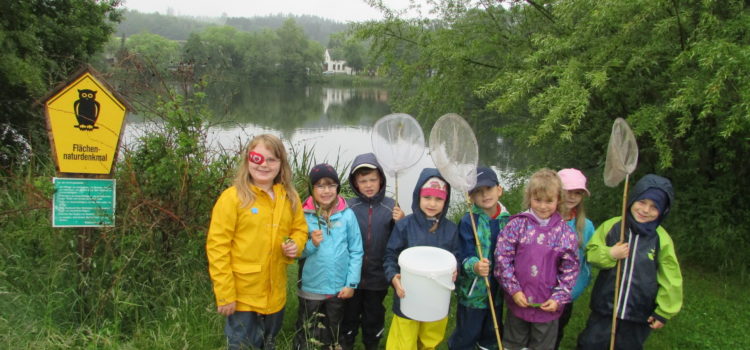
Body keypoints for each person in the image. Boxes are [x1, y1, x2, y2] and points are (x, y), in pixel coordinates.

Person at [206, 134, 308, 350]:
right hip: (243, 297)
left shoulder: (290, 197)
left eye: (272, 159)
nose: (264, 165)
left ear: (281, 164)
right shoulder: (232, 198)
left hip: (275, 297)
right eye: (257, 158)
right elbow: (217, 248)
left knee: (268, 345)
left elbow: (299, 230)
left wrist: (295, 245)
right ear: (247, 161)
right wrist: (224, 294)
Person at [577, 174, 682, 350]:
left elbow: (671, 277)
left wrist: (664, 311)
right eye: (642, 202)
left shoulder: (661, 239)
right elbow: (592, 254)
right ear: (633, 199)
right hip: (605, 307)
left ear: (663, 211)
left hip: (638, 313)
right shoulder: (613, 226)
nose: (645, 210)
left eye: (654, 207)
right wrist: (610, 253)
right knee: (590, 344)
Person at [494, 168, 579, 350]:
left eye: (549, 201)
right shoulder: (517, 224)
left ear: (558, 200)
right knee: (513, 344)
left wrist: (558, 297)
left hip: (547, 306)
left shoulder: (565, 233)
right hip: (519, 302)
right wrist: (514, 290)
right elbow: (502, 258)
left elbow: (570, 269)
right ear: (529, 197)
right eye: (537, 200)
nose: (542, 206)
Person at [383, 168, 460, 350]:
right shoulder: (404, 225)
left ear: (446, 201)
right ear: (418, 196)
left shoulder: (451, 229)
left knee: (430, 340)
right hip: (407, 295)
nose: (432, 203)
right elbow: (390, 256)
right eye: (427, 197)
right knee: (403, 342)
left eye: (439, 199)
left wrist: (457, 270)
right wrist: (393, 277)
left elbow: (456, 257)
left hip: (437, 299)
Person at [294, 163, 364, 350]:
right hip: (311, 287)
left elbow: (357, 251)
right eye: (320, 186)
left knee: (334, 328)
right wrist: (311, 244)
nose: (326, 191)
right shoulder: (302, 215)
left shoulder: (348, 215)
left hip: (338, 287)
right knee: (307, 329)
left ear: (337, 188)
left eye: (331, 185)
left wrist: (351, 284)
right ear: (312, 188)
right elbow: (296, 253)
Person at [340, 153, 404, 350]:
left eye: (373, 180)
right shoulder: (348, 206)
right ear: (355, 183)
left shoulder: (391, 206)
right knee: (349, 315)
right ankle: (346, 342)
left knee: (373, 316)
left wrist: (401, 222)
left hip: (378, 278)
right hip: (351, 277)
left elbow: (400, 242)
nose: (368, 185)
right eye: (363, 180)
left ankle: (372, 343)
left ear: (381, 180)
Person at [448, 167, 511, 350]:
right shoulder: (469, 222)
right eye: (478, 192)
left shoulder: (509, 221)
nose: (484, 195)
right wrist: (474, 267)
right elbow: (462, 255)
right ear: (470, 197)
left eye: (489, 189)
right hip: (472, 293)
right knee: (467, 332)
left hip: (498, 291)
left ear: (499, 190)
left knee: (492, 332)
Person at [554, 168, 596, 349]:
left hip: (567, 293)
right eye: (567, 191)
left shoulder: (585, 226)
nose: (572, 197)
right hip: (539, 289)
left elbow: (591, 256)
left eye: (577, 193)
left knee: (557, 330)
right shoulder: (542, 219)